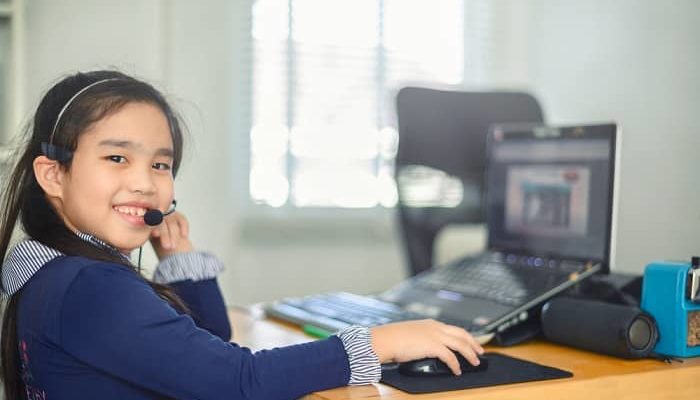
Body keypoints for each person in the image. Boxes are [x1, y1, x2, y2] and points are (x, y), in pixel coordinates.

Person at [0, 70, 484, 399]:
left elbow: (207, 343)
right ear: (53, 175)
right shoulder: (93, 288)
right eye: (117, 157)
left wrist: (178, 257)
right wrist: (379, 343)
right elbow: (239, 382)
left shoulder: (52, 275)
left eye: (161, 164)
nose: (145, 182)